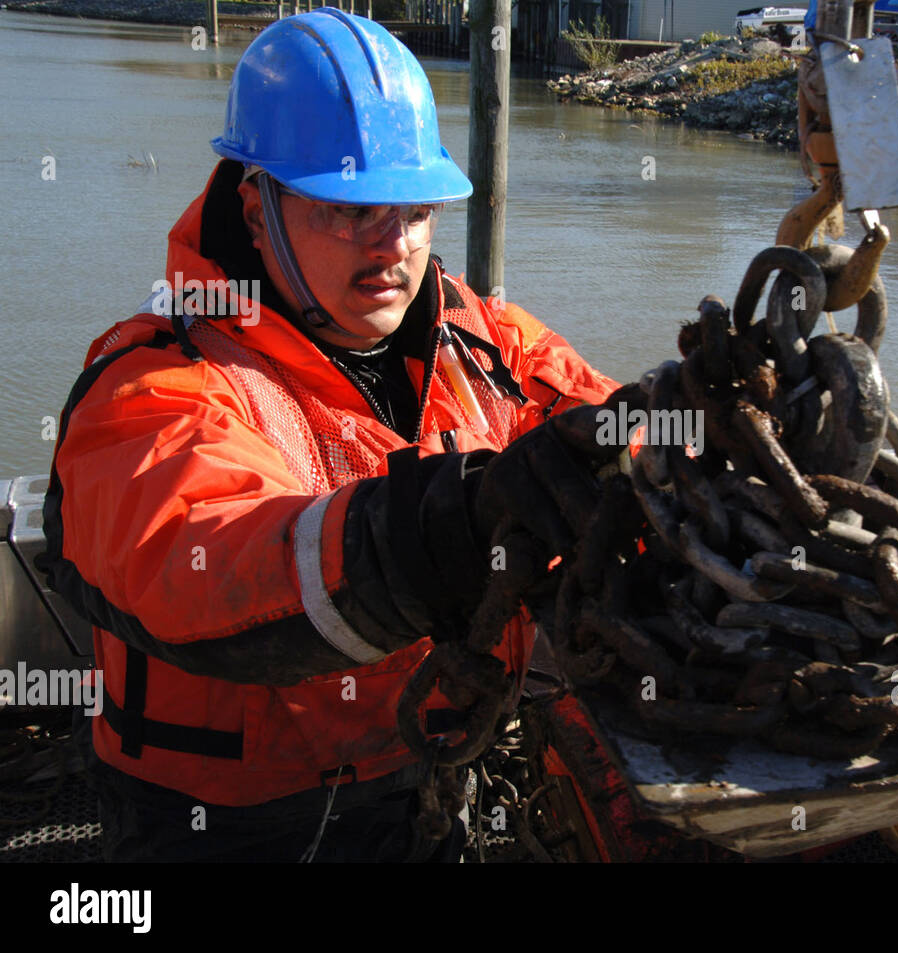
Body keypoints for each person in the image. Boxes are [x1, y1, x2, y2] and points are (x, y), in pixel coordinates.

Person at [39, 7, 621, 862]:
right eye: (350, 210)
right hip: (233, 827)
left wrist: (688, 438)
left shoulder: (480, 339)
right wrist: (425, 535)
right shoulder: (156, 384)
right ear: (256, 204)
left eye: (415, 208)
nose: (393, 245)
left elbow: (590, 415)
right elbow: (196, 549)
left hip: (425, 773)